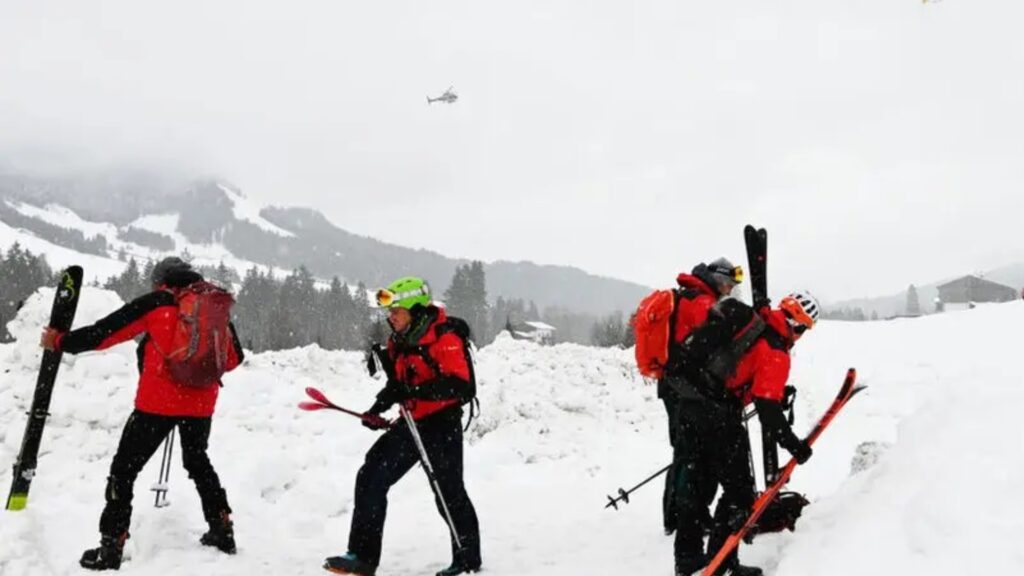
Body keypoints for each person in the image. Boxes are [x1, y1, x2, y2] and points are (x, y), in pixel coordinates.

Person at [40, 257, 244, 571]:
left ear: (162, 281)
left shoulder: (157, 303)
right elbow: (233, 358)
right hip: (201, 405)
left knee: (124, 471)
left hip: (156, 405)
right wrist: (193, 367)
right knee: (197, 461)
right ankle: (222, 528)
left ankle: (111, 545)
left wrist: (60, 341)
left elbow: (103, 333)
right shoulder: (211, 307)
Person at [324, 277, 481, 576]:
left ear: (415, 310)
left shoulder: (444, 337)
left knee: (447, 492)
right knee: (371, 475)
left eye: (396, 311)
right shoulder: (400, 340)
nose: (390, 317)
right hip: (411, 423)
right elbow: (398, 385)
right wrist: (376, 409)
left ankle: (467, 559)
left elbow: (461, 386)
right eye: (390, 311)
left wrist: (413, 392)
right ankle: (362, 557)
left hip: (442, 424)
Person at [667, 291, 820, 576]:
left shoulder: (756, 321)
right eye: (804, 330)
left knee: (697, 485)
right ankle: (722, 564)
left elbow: (744, 370)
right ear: (798, 326)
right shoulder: (776, 351)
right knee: (739, 493)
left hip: (690, 404)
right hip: (719, 416)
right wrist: (793, 445)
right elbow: (767, 408)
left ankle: (687, 560)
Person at [659, 258, 744, 534]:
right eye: (729, 284)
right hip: (684, 387)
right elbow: (707, 349)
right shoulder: (701, 303)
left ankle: (679, 514)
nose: (729, 290)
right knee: (690, 455)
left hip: (674, 384)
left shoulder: (689, 295)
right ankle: (682, 517)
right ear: (718, 280)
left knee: (684, 452)